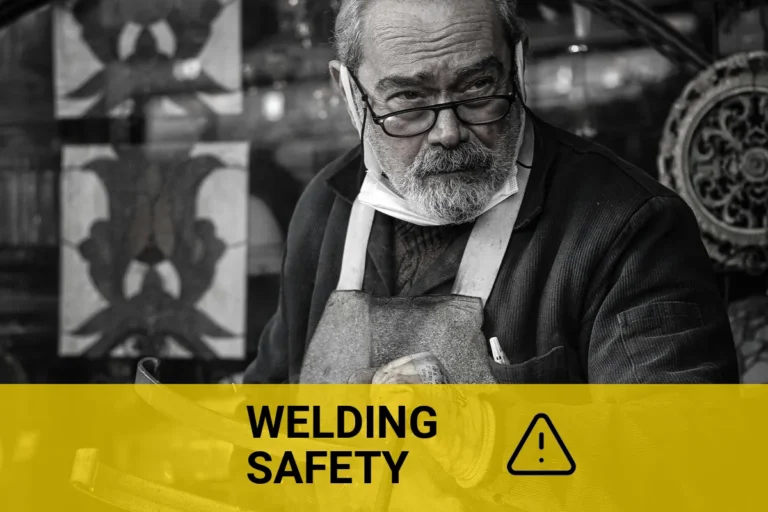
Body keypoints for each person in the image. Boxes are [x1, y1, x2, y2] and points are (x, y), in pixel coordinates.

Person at [242, 0, 739, 387]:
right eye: (408, 100)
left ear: (516, 65)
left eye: (478, 88)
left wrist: (482, 437)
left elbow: (674, 465)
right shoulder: (327, 207)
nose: (448, 132)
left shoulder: (630, 231)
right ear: (350, 92)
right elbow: (268, 410)